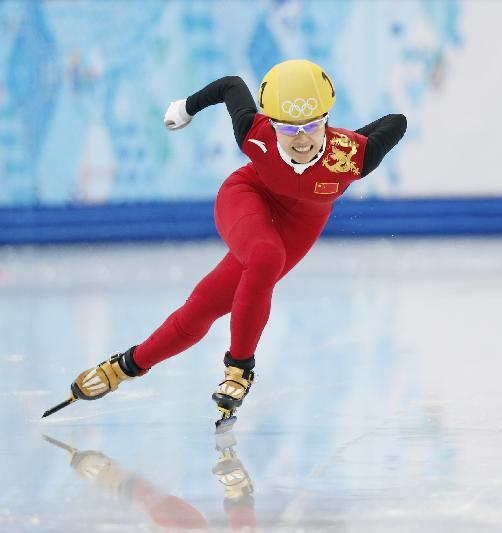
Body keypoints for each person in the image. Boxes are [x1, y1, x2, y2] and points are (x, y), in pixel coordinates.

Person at [58, 60, 407, 427]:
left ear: (326, 119)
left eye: (312, 125)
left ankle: (126, 366)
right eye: (288, 127)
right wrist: (185, 107)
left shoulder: (353, 156)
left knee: (203, 307)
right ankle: (240, 369)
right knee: (266, 255)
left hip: (296, 228)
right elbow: (230, 85)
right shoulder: (253, 134)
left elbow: (396, 121)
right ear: (271, 122)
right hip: (247, 198)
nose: (301, 138)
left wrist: (353, 139)